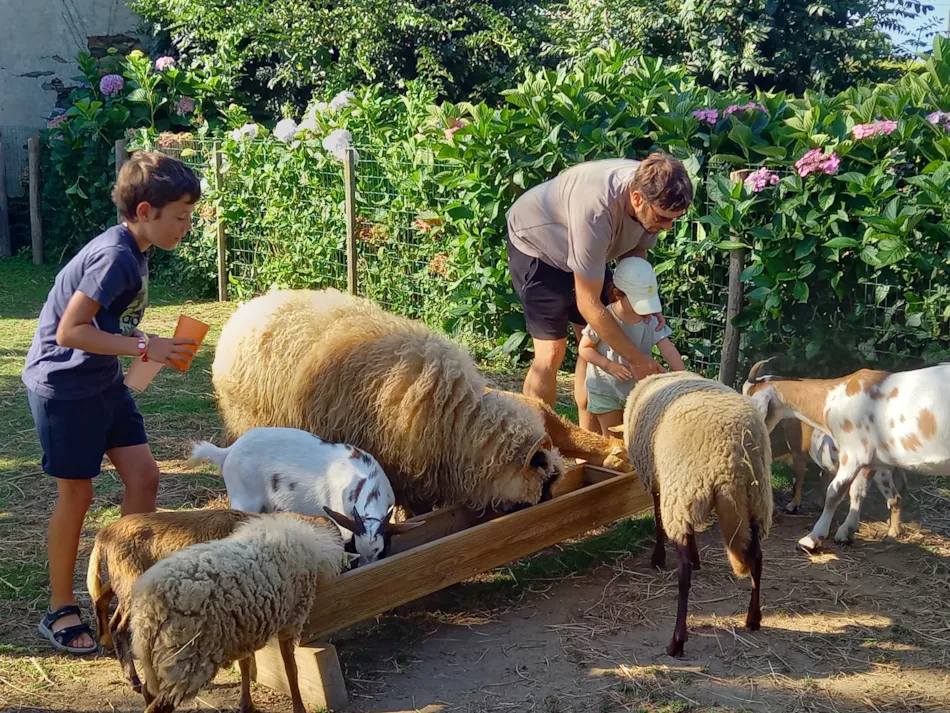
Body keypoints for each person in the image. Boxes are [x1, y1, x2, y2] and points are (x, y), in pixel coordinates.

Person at [21, 151, 201, 654]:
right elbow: (70, 331)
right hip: (64, 388)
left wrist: (144, 341)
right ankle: (60, 609)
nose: (186, 227)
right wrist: (144, 349)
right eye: (180, 217)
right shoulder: (115, 256)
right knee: (77, 497)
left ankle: (127, 591)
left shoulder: (136, 249)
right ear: (145, 212)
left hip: (104, 382)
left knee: (144, 478)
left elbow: (107, 324)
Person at [505, 151, 693, 433]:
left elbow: (635, 254)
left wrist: (643, 301)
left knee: (593, 344)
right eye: (663, 218)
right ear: (637, 199)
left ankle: (588, 443)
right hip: (537, 246)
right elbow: (588, 303)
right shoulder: (595, 210)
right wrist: (636, 359)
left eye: (674, 219)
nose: (667, 227)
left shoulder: (656, 194)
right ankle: (532, 440)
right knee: (551, 352)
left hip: (587, 251)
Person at [579, 256, 686, 434]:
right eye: (639, 301)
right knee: (613, 438)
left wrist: (683, 376)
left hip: (637, 390)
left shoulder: (650, 320)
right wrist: (608, 365)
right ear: (618, 294)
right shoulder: (604, 318)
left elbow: (667, 348)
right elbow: (584, 348)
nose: (645, 308)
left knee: (637, 435)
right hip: (605, 389)